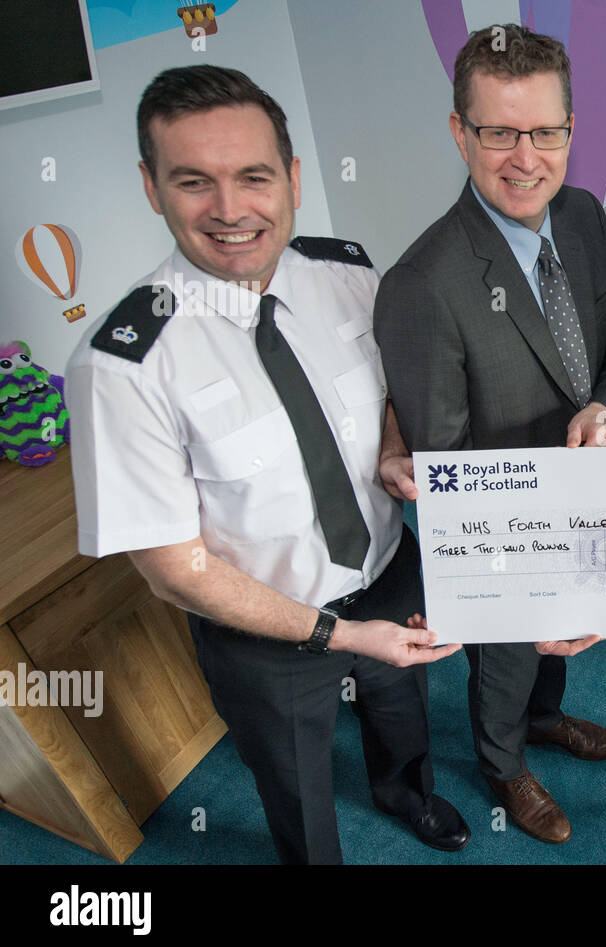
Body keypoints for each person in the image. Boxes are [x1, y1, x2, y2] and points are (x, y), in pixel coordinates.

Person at [65, 65, 468, 865]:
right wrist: (339, 634)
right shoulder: (121, 366)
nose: (229, 209)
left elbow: (389, 390)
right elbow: (173, 570)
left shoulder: (350, 272)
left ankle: (408, 795)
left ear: (291, 176)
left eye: (253, 176)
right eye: (192, 182)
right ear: (152, 188)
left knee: (402, 715)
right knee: (294, 780)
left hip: (392, 574)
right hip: (272, 636)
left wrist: (391, 444)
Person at [372, 24, 606, 845]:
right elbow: (448, 478)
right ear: (460, 133)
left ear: (571, 129)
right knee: (509, 655)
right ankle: (503, 761)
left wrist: (605, 409)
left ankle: (548, 717)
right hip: (505, 534)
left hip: (586, 498)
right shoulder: (423, 285)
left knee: (558, 647)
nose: (525, 157)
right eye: (499, 131)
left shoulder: (586, 216)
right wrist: (509, 582)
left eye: (546, 131)